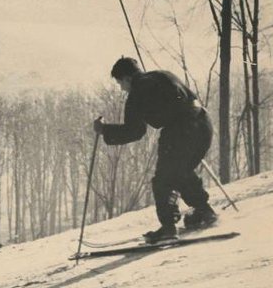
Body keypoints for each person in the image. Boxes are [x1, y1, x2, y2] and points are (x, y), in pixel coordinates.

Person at [93, 57, 218, 243]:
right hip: (203, 124)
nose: (121, 88)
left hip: (180, 130)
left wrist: (105, 130)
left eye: (120, 83)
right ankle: (205, 211)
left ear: (127, 78)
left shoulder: (137, 92)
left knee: (163, 179)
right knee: (180, 171)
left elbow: (134, 131)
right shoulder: (162, 74)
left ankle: (168, 229)